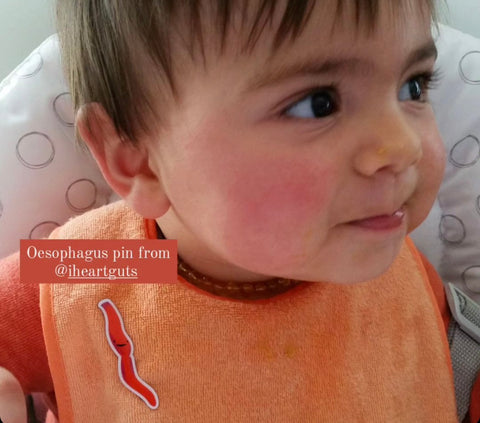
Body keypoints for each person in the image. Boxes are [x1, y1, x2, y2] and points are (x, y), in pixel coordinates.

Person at [0, 0, 470, 421]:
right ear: (138, 160)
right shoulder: (108, 262)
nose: (403, 146)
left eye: (413, 87)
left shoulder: (389, 262)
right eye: (317, 104)